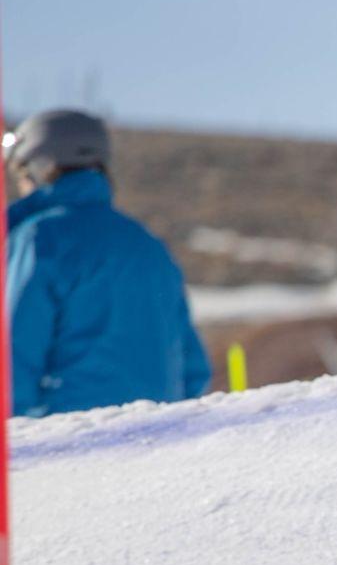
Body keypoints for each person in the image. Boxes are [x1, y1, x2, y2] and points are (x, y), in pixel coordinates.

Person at [2, 109, 211, 417]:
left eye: (20, 174)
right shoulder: (149, 245)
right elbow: (193, 370)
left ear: (38, 168)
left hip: (69, 440)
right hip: (160, 442)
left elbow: (14, 361)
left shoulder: (38, 238)